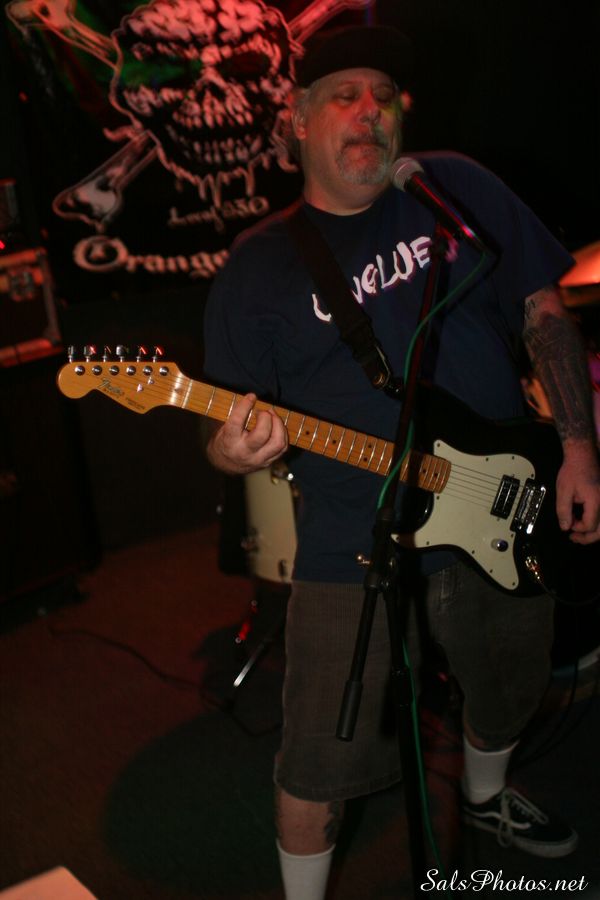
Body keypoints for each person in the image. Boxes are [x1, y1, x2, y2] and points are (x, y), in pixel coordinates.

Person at [202, 25, 600, 899]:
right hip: (354, 534)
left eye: (383, 96)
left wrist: (578, 446)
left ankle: (486, 798)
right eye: (344, 95)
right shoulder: (258, 267)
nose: (369, 111)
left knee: (512, 680)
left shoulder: (450, 187)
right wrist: (230, 449)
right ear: (297, 119)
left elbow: (541, 309)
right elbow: (224, 428)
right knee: (318, 752)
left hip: (502, 495)